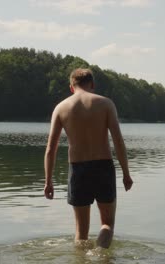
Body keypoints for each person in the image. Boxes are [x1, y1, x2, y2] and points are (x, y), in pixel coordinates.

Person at [44, 68, 133, 249]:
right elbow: (118, 142)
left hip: (78, 170)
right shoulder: (106, 104)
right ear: (92, 84)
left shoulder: (61, 108)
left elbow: (50, 149)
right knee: (107, 224)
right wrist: (126, 173)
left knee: (81, 233)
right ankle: (100, 254)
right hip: (103, 168)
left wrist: (48, 181)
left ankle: (83, 260)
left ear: (71, 87)